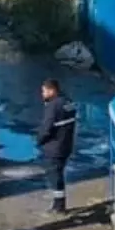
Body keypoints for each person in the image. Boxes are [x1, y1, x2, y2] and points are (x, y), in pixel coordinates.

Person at [36, 78, 77, 214]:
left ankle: (59, 206)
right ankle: (59, 204)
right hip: (66, 145)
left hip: (54, 147)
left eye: (44, 91)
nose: (42, 94)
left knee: (55, 175)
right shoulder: (68, 102)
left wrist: (39, 140)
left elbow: (46, 128)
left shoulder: (53, 106)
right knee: (59, 173)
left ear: (52, 90)